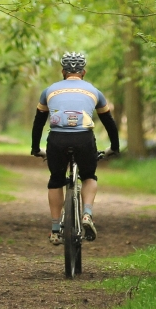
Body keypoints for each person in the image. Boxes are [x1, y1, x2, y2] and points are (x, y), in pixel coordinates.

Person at [31, 52, 120, 244]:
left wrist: (35, 148)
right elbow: (109, 123)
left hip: (57, 140)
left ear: (62, 71)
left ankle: (55, 229)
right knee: (89, 176)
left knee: (55, 180)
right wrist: (114, 147)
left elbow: (38, 122)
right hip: (84, 139)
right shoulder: (94, 92)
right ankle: (87, 214)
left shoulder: (49, 91)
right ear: (84, 72)